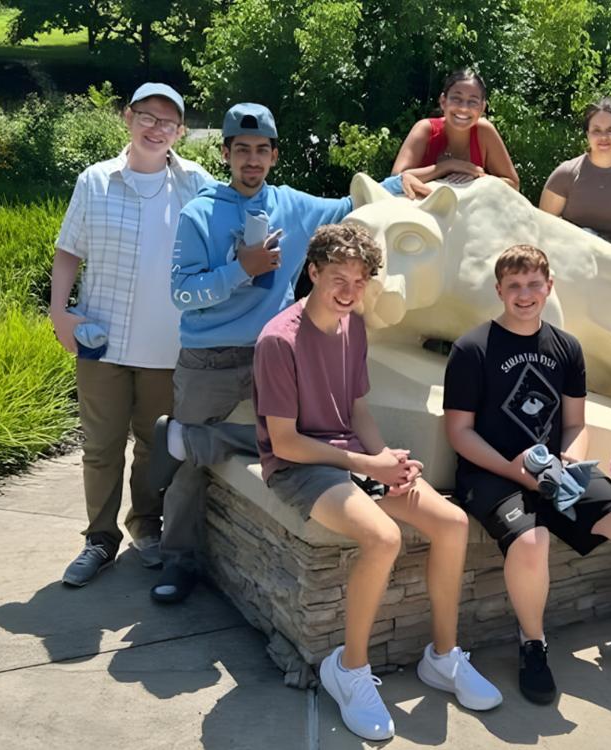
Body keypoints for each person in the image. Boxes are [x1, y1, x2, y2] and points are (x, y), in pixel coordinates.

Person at [146, 104, 415, 604]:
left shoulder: (292, 204)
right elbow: (181, 293)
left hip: (279, 350)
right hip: (211, 357)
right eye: (242, 150)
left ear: (274, 155)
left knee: (293, 438)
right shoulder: (199, 213)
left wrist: (404, 182)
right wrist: (241, 269)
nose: (252, 160)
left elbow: (344, 209)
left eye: (261, 150)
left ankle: (203, 437)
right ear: (225, 153)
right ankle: (178, 559)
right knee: (190, 467)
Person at [255, 224, 502, 740]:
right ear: (314, 272)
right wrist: (370, 467)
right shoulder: (279, 340)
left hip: (350, 458)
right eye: (337, 278)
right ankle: (349, 669)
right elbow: (285, 443)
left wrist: (384, 456)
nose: (348, 290)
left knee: (453, 523)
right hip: (301, 468)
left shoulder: (354, 327)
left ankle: (443, 656)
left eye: (360, 280)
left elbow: (358, 408)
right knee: (384, 538)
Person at [443, 245, 611, 704]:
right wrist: (516, 470)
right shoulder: (472, 348)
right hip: (490, 472)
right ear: (499, 290)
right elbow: (459, 432)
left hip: (554, 471)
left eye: (534, 284)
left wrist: (571, 462)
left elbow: (574, 423)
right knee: (531, 542)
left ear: (549, 287)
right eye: (513, 285)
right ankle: (533, 645)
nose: (524, 294)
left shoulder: (566, 347)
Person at [51, 83, 213, 587]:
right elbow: (67, 251)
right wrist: (59, 312)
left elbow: (237, 231)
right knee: (100, 447)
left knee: (152, 444)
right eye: (147, 116)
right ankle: (99, 539)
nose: (156, 127)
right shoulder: (96, 181)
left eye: (168, 121)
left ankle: (146, 526)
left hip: (168, 347)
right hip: (102, 341)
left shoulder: (197, 184)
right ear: (128, 118)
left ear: (180, 131)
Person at [539, 97, 611, 250]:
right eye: (596, 130)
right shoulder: (566, 173)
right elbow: (545, 223)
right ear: (587, 133)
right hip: (569, 254)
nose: (603, 137)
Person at [392, 68, 519, 194]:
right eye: (456, 99)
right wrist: (450, 166)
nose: (463, 108)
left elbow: (513, 185)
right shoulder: (425, 129)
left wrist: (479, 178)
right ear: (443, 101)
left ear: (482, 107)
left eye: (473, 102)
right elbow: (396, 179)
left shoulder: (484, 131)